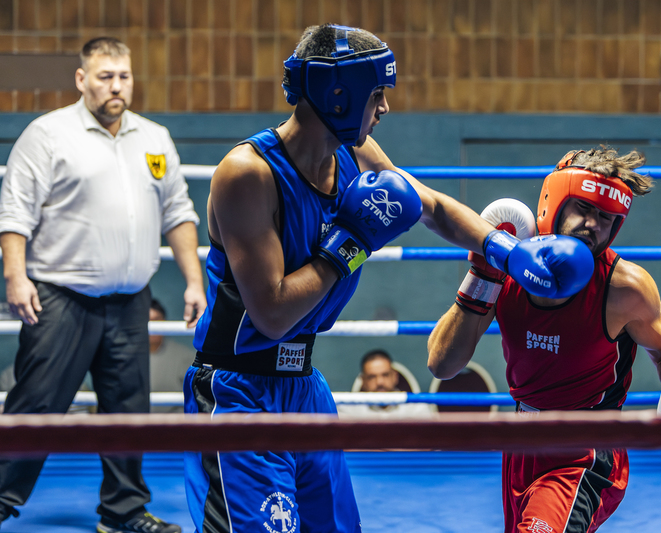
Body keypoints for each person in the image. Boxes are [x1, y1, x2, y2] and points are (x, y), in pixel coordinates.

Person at [184, 23, 558, 533]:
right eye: (376, 93)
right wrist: (352, 243)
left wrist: (506, 251)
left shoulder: (353, 153)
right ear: (338, 94)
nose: (384, 108)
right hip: (239, 391)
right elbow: (271, 315)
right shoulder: (248, 173)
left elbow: (431, 206)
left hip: (304, 387)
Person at [427, 148, 661, 533]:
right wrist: (484, 273)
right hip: (521, 442)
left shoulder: (624, 288)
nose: (592, 224)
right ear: (554, 202)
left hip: (587, 449)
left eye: (606, 217)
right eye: (583, 208)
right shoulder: (509, 267)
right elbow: (442, 364)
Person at [0, 37, 206, 533]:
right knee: (37, 404)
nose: (116, 86)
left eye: (124, 76)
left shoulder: (153, 137)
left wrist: (194, 280)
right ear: (82, 79)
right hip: (59, 297)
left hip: (130, 301)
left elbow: (178, 212)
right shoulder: (48, 134)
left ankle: (123, 510)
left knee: (128, 409)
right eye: (105, 76)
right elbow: (14, 212)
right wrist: (15, 276)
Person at [337, 349, 435, 419]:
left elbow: (426, 440)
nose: (380, 382)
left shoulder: (416, 407)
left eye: (385, 375)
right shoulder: (348, 410)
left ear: (395, 376)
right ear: (363, 381)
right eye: (372, 377)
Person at [148, 298, 197, 413]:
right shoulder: (129, 358)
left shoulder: (184, 356)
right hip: (137, 421)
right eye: (148, 320)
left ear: (164, 322)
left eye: (157, 320)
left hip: (175, 420)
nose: (153, 325)